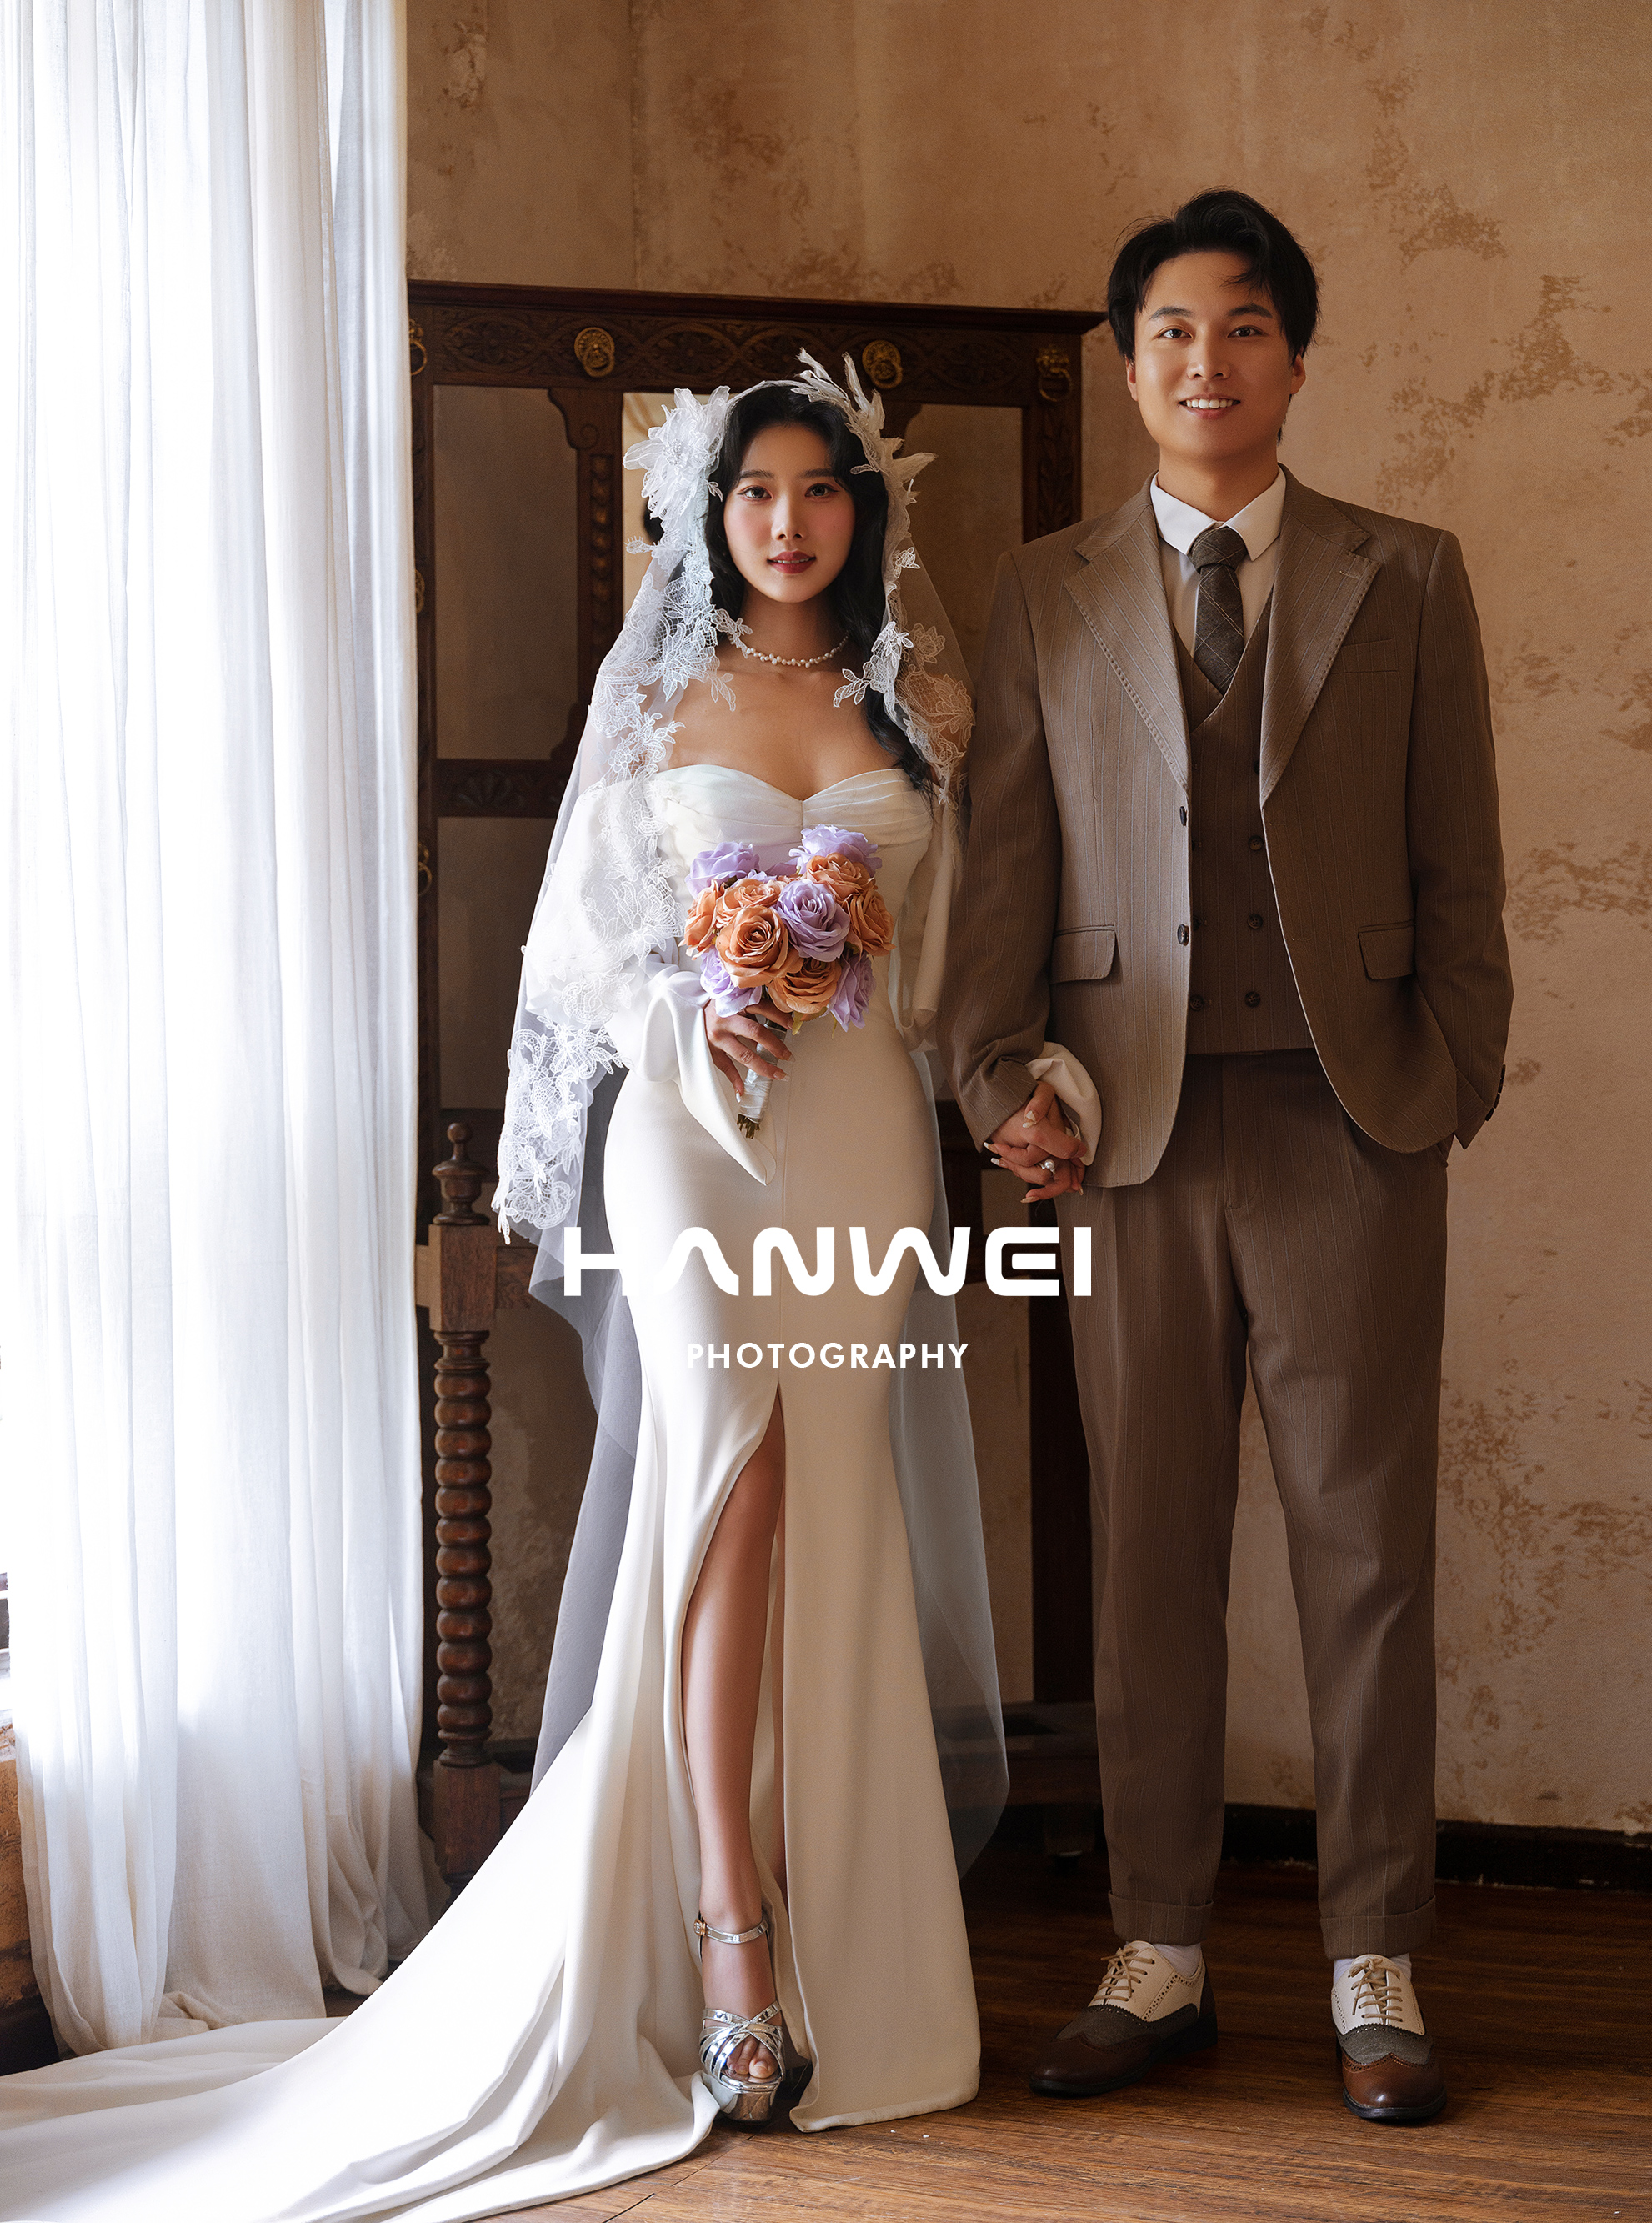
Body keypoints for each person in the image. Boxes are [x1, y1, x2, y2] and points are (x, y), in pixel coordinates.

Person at [0, 360, 1005, 2218]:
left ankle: (845, 1944)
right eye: (755, 492)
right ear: (709, 514)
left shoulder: (912, 705)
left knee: (832, 1494)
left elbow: (948, 967)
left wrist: (954, 1042)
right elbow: (572, 961)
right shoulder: (658, 697)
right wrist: (697, 1000)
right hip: (691, 1127)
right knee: (729, 1469)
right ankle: (725, 1930)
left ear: (865, 512)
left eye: (820, 490)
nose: (787, 521)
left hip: (862, 1133)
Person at [944, 188, 1511, 2125]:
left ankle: (1374, 1954)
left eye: (1245, 326)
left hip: (1350, 1123)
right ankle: (1159, 1944)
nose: (1209, 359)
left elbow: (1459, 856)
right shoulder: (1046, 588)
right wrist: (993, 1079)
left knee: (1366, 1556)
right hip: (1127, 1142)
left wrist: (1453, 1073)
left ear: (1296, 356)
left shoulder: (1405, 572)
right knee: (1150, 1552)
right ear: (1130, 367)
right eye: (1174, 330)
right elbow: (1005, 862)